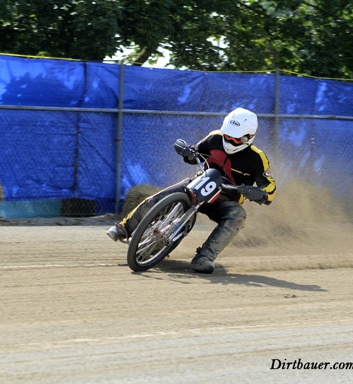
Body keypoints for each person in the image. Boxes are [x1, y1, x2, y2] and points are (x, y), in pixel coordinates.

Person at [107, 107, 277, 273]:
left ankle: (204, 257)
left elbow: (270, 187)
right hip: (198, 184)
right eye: (227, 136)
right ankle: (124, 228)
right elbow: (195, 154)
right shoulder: (214, 138)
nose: (230, 141)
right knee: (161, 197)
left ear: (249, 137)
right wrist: (187, 152)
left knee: (238, 215)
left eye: (236, 139)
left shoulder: (257, 158)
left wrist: (262, 194)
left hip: (224, 200)